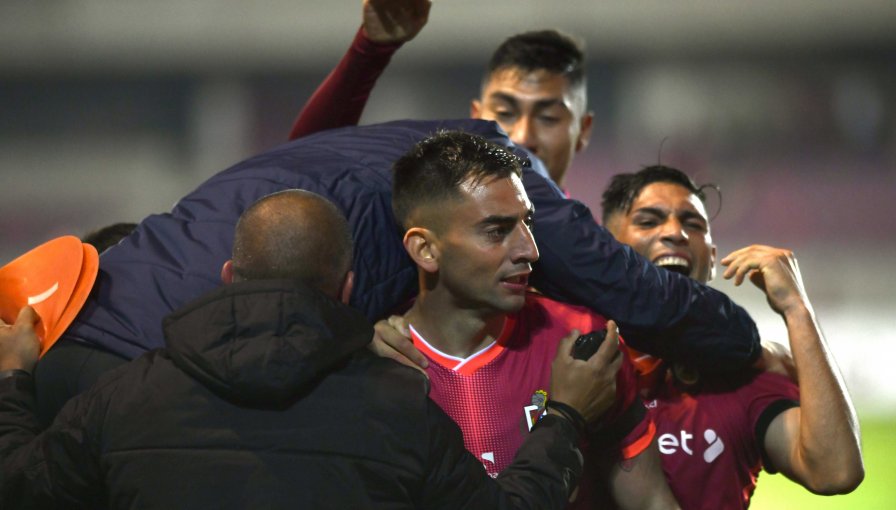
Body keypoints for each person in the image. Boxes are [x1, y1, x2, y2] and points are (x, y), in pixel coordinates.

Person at [41, 118, 759, 424]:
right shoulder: (499, 175)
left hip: (61, 341)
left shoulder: (366, 156)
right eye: (507, 229)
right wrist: (744, 342)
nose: (527, 247)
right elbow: (621, 284)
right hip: (152, 380)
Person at [0, 189, 618, 509]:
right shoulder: (399, 407)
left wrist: (12, 379)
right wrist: (564, 418)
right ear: (348, 289)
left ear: (226, 276)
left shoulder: (125, 396)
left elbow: (19, 489)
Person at [390, 131, 679, 509]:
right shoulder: (378, 367)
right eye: (496, 231)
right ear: (425, 249)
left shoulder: (583, 343)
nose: (530, 250)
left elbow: (652, 502)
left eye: (527, 223)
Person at [600, 165, 864, 508]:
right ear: (606, 251)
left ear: (711, 259)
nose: (675, 233)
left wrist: (797, 310)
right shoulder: (572, 353)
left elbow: (835, 471)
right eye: (649, 221)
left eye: (692, 224)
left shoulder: (750, 369)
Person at [290, 0, 591, 188]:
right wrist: (369, 50)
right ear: (476, 117)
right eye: (504, 114)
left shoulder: (602, 267)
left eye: (549, 118)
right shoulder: (417, 237)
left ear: (583, 131)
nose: (523, 137)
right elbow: (303, 164)